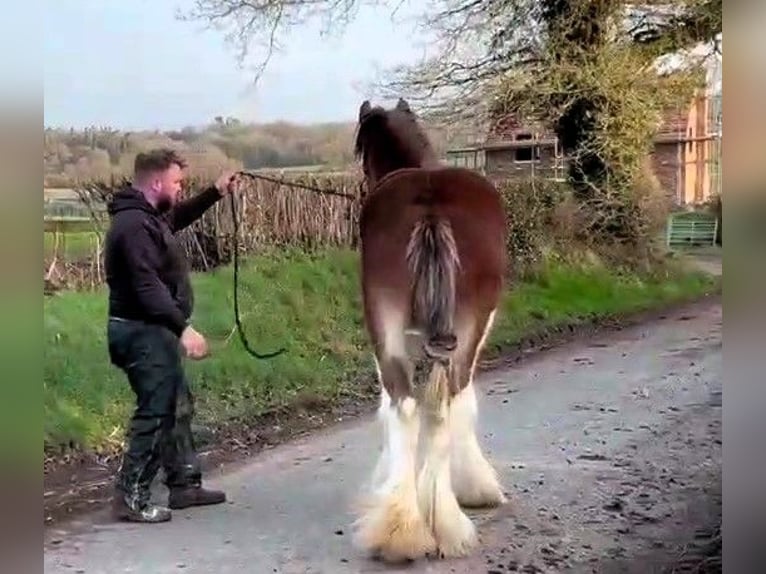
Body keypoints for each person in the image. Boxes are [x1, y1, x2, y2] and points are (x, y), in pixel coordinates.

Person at [104, 148, 240, 523]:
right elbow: (147, 288)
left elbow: (177, 217)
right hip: (141, 333)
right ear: (156, 182)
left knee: (176, 405)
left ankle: (183, 486)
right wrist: (184, 328)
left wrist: (215, 192)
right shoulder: (133, 227)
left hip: (152, 330)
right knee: (156, 412)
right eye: (177, 182)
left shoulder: (148, 218)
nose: (181, 189)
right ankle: (130, 496)